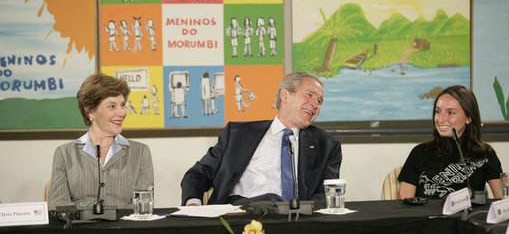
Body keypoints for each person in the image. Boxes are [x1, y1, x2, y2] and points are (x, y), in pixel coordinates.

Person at [181, 71, 342, 206]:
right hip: (238, 214)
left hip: (293, 219)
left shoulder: (327, 145)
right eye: (309, 95)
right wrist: (193, 203)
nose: (315, 104)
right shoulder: (238, 134)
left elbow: (327, 193)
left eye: (320, 101)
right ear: (285, 95)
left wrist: (299, 209)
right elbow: (197, 174)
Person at [48, 73, 154, 210]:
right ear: (90, 111)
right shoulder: (64, 153)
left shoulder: (140, 152)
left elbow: (143, 204)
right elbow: (57, 204)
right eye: (112, 106)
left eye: (122, 105)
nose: (121, 113)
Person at [398, 85, 503, 200]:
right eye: (438, 111)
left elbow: (503, 201)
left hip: (468, 217)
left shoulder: (485, 153)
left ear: (468, 118)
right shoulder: (419, 152)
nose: (441, 119)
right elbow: (403, 206)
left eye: (451, 112)